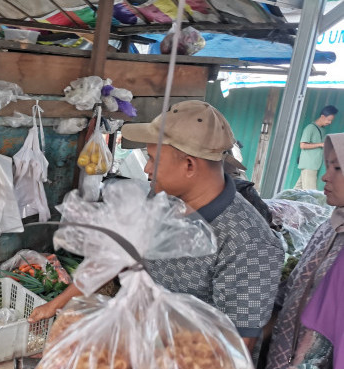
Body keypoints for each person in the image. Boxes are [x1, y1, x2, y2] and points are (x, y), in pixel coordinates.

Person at [30, 101, 284, 352]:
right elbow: (120, 254)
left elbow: (235, 347)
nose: (146, 168)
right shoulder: (165, 199)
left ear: (189, 165)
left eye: (153, 159)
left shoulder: (249, 244)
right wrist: (58, 304)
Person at [237, 133, 344, 369]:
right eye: (328, 167)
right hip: (287, 367)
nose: (326, 177)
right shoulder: (330, 227)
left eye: (338, 168)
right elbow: (296, 289)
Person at [295, 105, 338, 191]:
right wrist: (320, 144)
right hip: (309, 166)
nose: (330, 122)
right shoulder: (310, 128)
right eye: (329, 120)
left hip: (314, 166)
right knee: (311, 193)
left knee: (296, 191)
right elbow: (302, 145)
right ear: (322, 116)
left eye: (331, 121)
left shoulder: (322, 130)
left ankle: (282, 202)